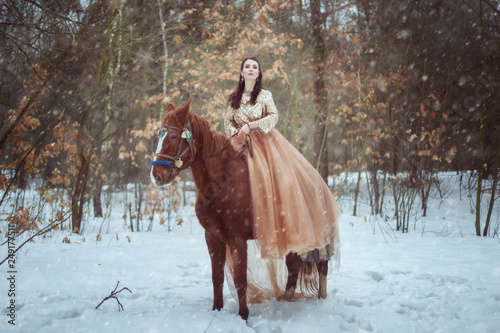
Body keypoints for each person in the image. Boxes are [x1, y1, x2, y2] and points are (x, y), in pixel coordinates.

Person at [224, 57, 341, 269]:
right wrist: (232, 129)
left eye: (255, 67)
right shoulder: (234, 97)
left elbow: (273, 117)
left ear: (258, 74)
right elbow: (228, 120)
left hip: (265, 143)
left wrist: (250, 125)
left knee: (275, 178)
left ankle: (280, 223)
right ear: (241, 72)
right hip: (239, 143)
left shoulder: (265, 95)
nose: (251, 70)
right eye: (247, 67)